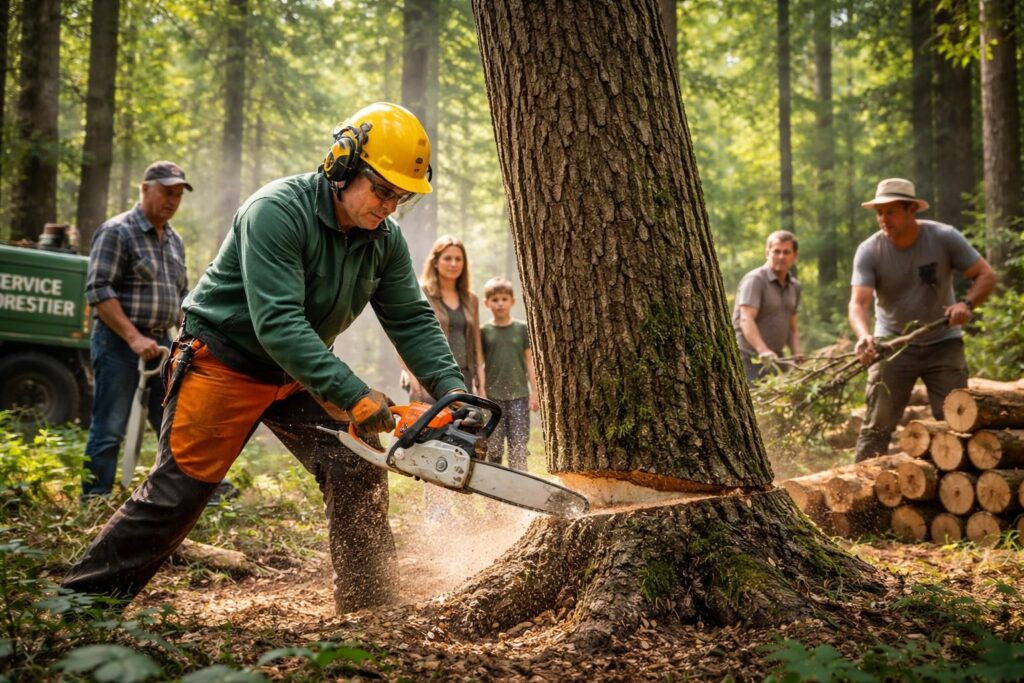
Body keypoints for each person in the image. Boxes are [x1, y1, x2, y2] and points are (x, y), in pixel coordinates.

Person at [62, 103, 467, 613]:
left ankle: (370, 609)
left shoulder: (383, 241)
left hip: (298, 372)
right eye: (383, 190)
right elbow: (277, 322)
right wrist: (353, 393)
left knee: (355, 466)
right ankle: (77, 609)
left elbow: (410, 318)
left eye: (401, 196)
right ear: (341, 166)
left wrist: (453, 390)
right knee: (178, 493)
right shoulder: (277, 211)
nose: (390, 205)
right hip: (225, 361)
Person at [849, 178, 997, 462]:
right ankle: (859, 491)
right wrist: (863, 336)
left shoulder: (944, 237)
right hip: (893, 344)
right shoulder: (869, 250)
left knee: (958, 419)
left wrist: (965, 304)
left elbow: (986, 275)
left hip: (944, 343)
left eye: (891, 211)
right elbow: (859, 302)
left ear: (911, 209)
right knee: (877, 423)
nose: (883, 218)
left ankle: (959, 493)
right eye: (879, 212)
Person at [81, 161, 191, 497]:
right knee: (110, 426)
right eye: (165, 192)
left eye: (177, 195)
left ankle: (176, 497)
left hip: (162, 345)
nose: (172, 200)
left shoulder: (175, 241)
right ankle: (95, 497)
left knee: (173, 423)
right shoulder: (117, 231)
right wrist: (133, 337)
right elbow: (99, 290)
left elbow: (182, 295)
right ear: (144, 189)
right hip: (118, 343)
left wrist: (187, 333)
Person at [403, 235, 485, 400]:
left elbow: (476, 344)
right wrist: (410, 375)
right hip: (428, 374)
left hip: (464, 377)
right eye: (447, 258)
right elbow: (404, 337)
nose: (453, 264)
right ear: (435, 261)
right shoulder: (420, 293)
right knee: (431, 425)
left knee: (460, 425)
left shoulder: (471, 299)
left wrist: (481, 385)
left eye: (458, 259)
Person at [480, 277, 538, 471]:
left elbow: (529, 361)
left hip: (519, 397)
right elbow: (480, 363)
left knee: (518, 448)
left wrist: (535, 392)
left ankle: (520, 494)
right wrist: (479, 391)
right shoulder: (484, 331)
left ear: (512, 301)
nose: (500, 303)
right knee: (494, 449)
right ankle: (493, 497)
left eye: (504, 299)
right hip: (492, 398)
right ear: (487, 303)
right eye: (495, 299)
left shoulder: (521, 329)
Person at [731, 230, 801, 382]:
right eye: (776, 251)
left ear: (795, 256)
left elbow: (793, 329)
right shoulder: (755, 280)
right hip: (748, 359)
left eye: (786, 252)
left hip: (775, 360)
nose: (781, 257)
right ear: (767, 253)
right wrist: (763, 351)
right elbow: (746, 319)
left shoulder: (795, 286)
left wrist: (797, 356)